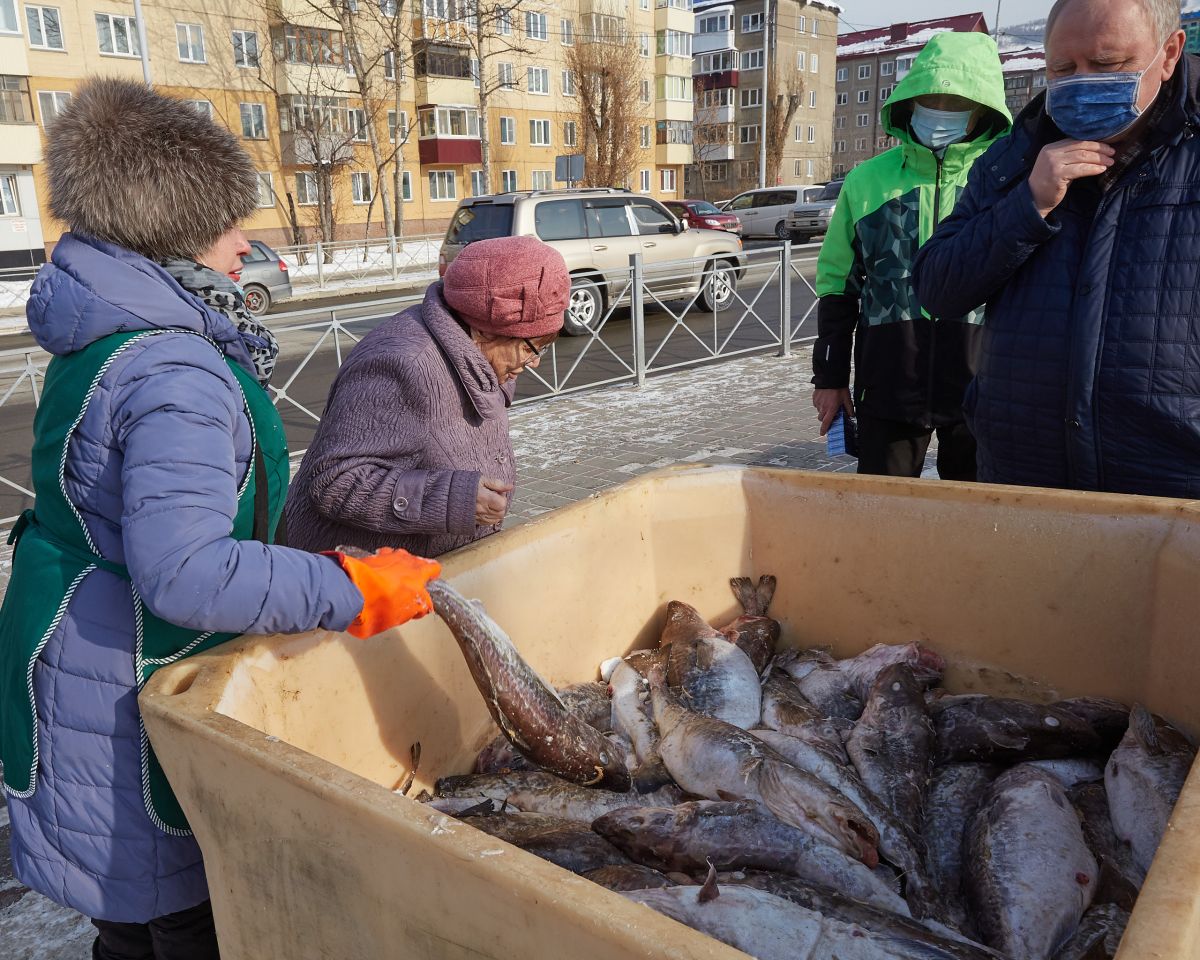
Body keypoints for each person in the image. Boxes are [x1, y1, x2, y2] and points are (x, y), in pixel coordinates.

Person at [0, 78, 438, 960]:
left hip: (75, 641)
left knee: (130, 922)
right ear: (173, 231)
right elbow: (189, 570)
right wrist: (348, 586)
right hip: (127, 676)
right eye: (230, 223)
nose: (249, 244)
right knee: (193, 923)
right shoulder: (175, 372)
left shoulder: (107, 328)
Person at [912, 0, 1196, 496]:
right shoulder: (1012, 158)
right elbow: (938, 286)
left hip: (1171, 498)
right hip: (1026, 486)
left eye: (1108, 65)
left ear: (1169, 53)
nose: (1082, 83)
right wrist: (1027, 206)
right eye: (1062, 69)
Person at [284, 235, 567, 556]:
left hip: (422, 572)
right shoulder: (404, 365)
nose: (536, 361)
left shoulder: (481, 357)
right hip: (352, 581)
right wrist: (450, 499)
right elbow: (334, 483)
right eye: (531, 347)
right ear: (484, 329)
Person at [811, 32, 1012, 479]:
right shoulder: (866, 181)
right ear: (910, 98)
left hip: (983, 384)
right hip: (889, 383)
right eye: (930, 98)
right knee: (881, 522)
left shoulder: (1005, 181)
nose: (940, 111)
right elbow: (837, 285)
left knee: (980, 525)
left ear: (984, 108)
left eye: (956, 100)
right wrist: (828, 378)